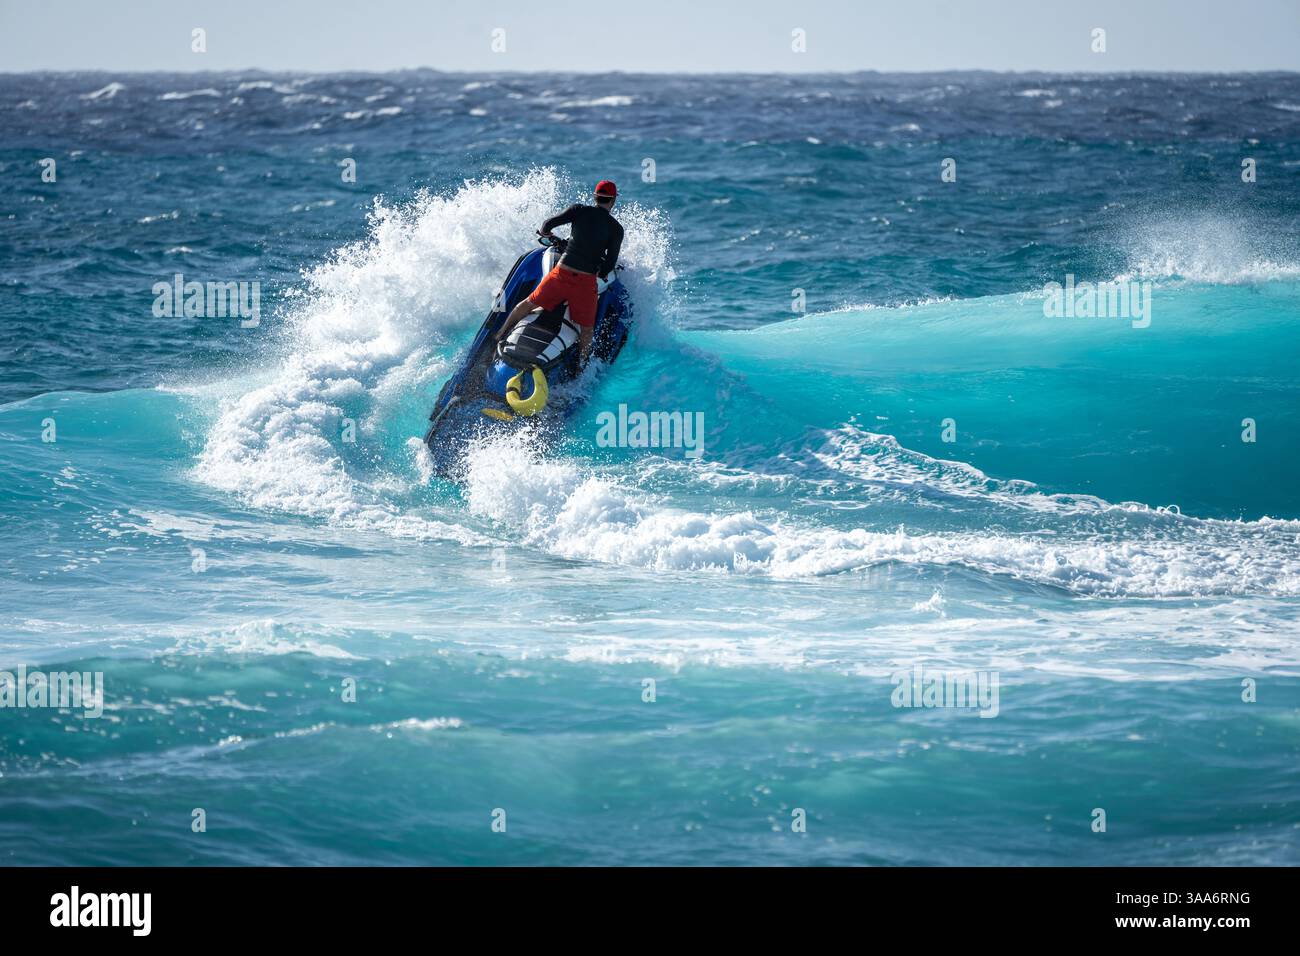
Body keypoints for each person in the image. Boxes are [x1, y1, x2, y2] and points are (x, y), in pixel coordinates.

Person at [495, 180, 623, 366]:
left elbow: (547, 224)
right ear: (613, 201)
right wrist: (600, 272)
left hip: (561, 274)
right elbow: (610, 262)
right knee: (587, 330)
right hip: (584, 283)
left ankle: (499, 335)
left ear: (595, 197)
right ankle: (581, 366)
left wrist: (548, 235)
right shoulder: (616, 228)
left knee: (529, 303)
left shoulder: (579, 210)